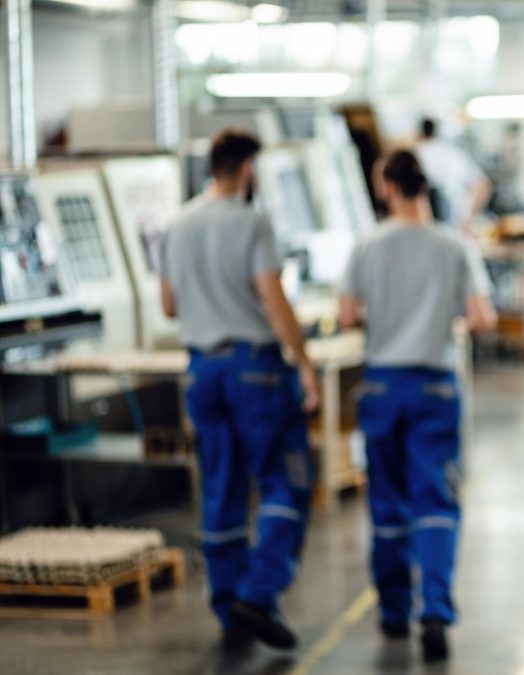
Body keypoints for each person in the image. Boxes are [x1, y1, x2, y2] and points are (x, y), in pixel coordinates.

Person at [160, 129, 320, 651]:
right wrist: (304, 361)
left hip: (203, 369)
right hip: (255, 370)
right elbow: (273, 300)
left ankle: (230, 608)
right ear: (248, 169)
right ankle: (259, 591)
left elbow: (168, 305)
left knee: (222, 486)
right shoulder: (253, 223)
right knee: (286, 481)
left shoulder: (177, 225)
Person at [338, 149, 497, 662]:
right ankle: (434, 611)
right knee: (436, 501)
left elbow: (345, 317)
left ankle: (391, 611)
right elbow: (481, 319)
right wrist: (439, 320)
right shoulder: (453, 246)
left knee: (386, 502)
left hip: (382, 385)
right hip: (435, 386)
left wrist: (385, 317)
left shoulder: (366, 244)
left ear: (387, 187)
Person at [415, 117, 492, 230]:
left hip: (424, 229)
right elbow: (483, 186)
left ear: (420, 133)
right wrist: (467, 217)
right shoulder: (453, 154)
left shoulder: (415, 155)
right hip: (456, 228)